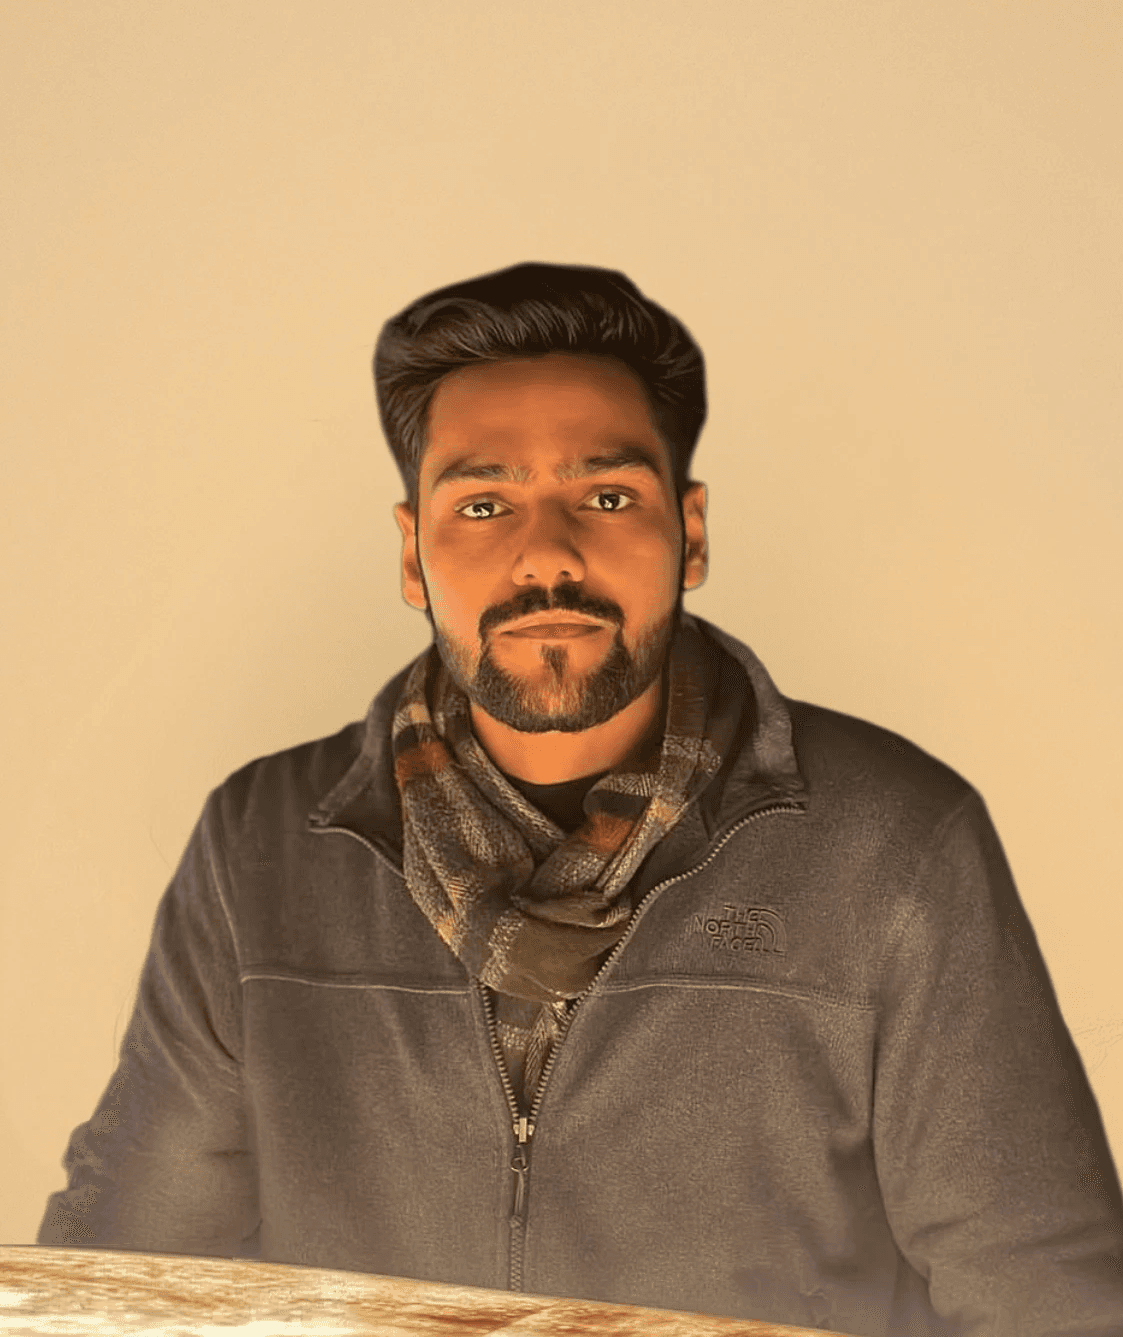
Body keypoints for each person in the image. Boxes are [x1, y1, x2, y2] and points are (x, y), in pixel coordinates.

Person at [39, 263, 1123, 1335]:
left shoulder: (892, 841)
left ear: (690, 532)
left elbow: (1046, 1294)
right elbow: (121, 1277)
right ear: (412, 553)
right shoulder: (263, 846)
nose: (546, 555)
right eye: (483, 503)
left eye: (606, 497)